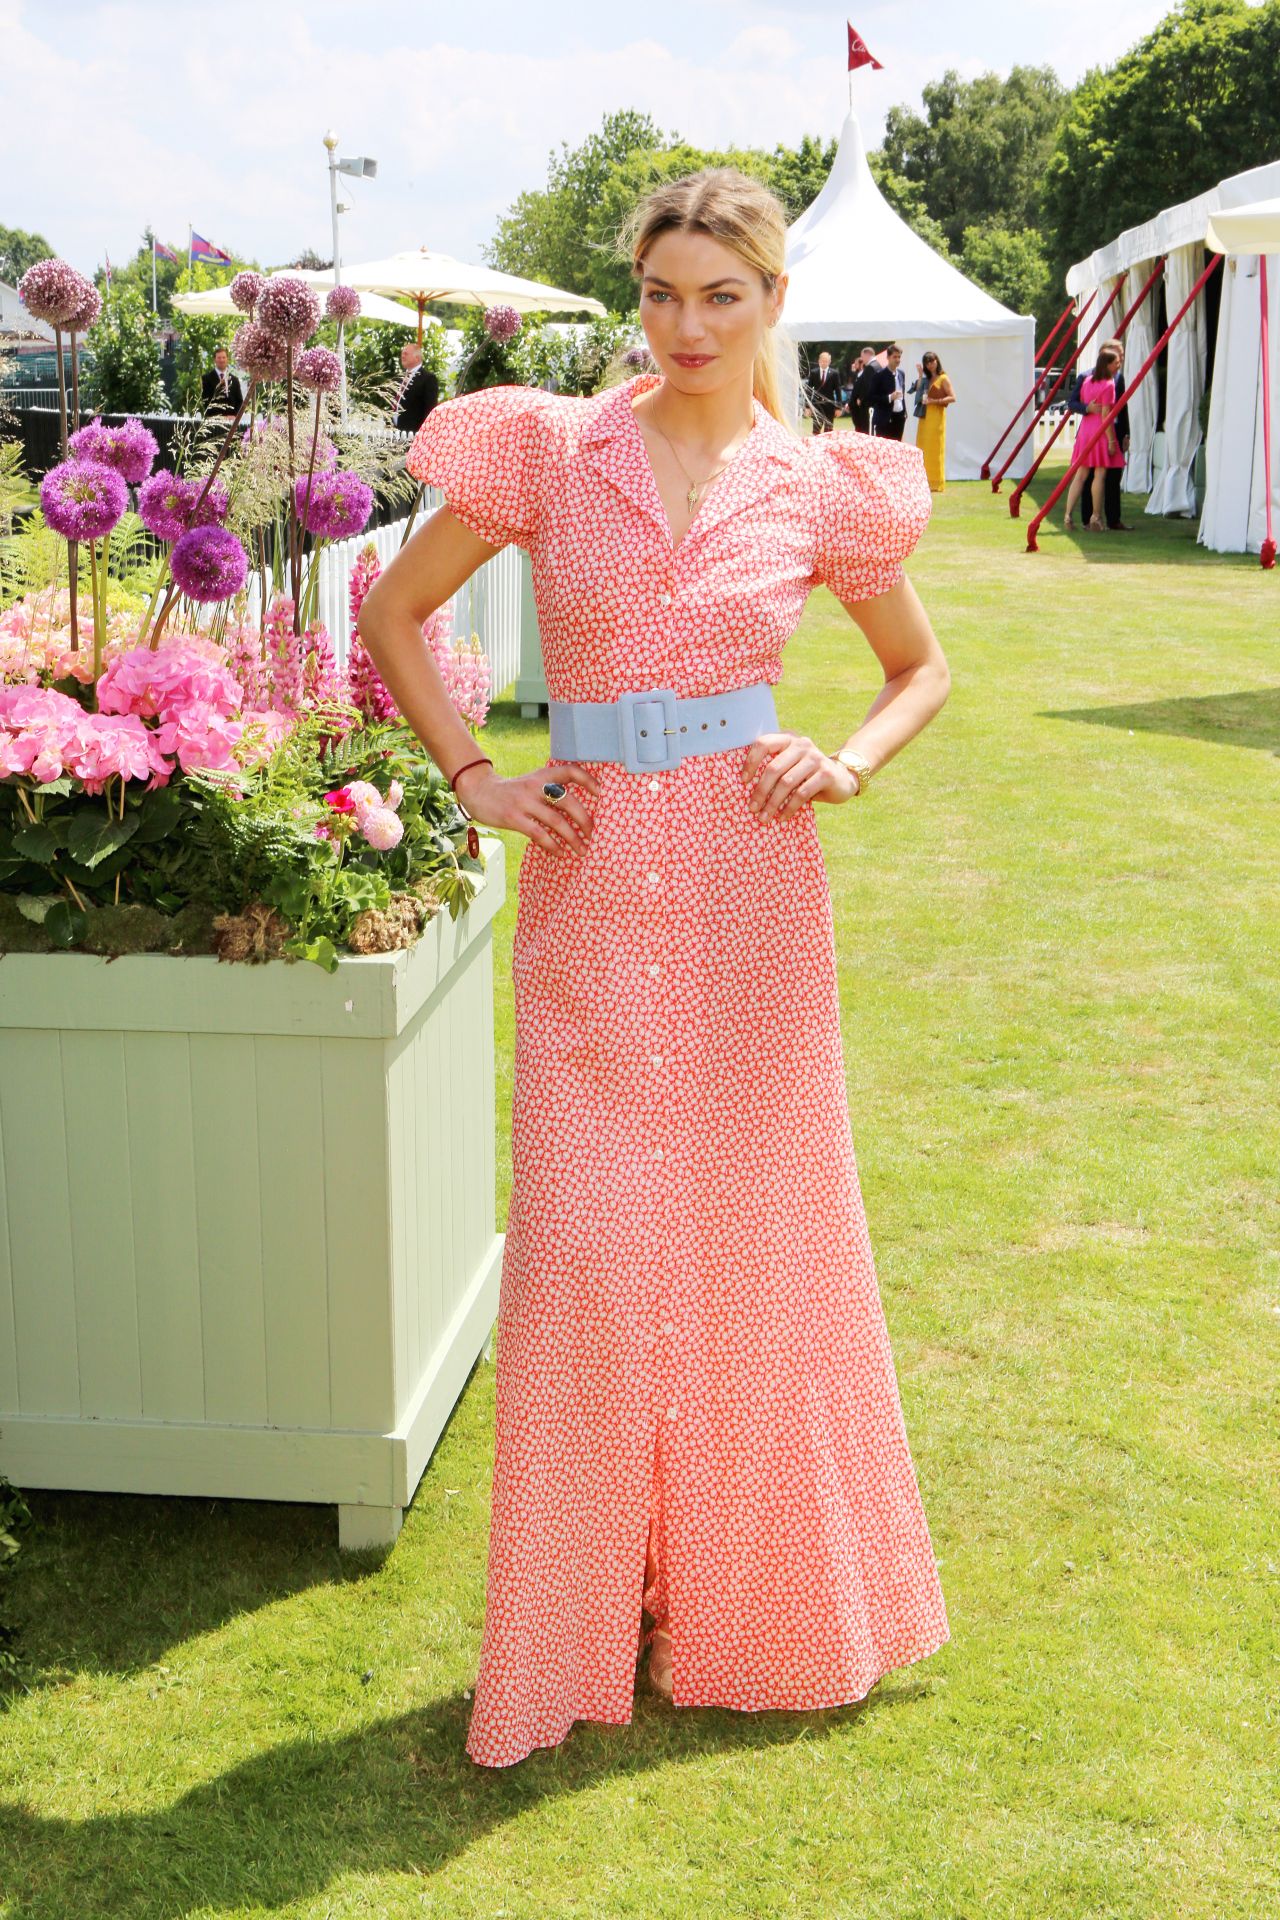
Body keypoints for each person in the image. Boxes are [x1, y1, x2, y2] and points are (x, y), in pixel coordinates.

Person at [358, 166, 951, 1771]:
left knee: (764, 1241)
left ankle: (755, 1601)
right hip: (597, 885)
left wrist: (852, 760)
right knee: (597, 1259)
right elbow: (393, 608)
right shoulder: (550, 448)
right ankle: (570, 1621)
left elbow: (918, 666)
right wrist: (475, 775)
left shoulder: (825, 484)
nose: (686, 326)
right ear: (638, 295)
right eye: (663, 293)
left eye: (723, 297)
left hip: (760, 895)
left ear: (771, 304)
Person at [1063, 344, 1125, 532]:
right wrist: (1112, 441)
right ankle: (1096, 517)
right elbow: (1106, 414)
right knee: (1099, 475)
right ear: (1107, 364)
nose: (1119, 364)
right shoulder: (1109, 384)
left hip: (1085, 431)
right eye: (1116, 362)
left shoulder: (1088, 380)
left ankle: (1067, 515)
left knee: (1080, 475)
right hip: (1100, 432)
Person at [911, 351, 955, 493]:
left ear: (937, 361)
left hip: (937, 419)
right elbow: (916, 391)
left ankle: (936, 482)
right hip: (925, 418)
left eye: (932, 361)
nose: (930, 365)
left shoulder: (943, 378)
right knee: (923, 447)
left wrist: (934, 401)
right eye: (927, 362)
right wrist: (919, 375)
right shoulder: (926, 379)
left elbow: (953, 397)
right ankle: (924, 481)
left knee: (935, 449)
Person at [393, 340, 439, 435]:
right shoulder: (399, 378)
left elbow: (430, 409)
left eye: (406, 353)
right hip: (394, 432)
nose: (403, 356)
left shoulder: (428, 378)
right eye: (402, 354)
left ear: (417, 358)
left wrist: (424, 433)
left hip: (413, 434)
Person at [869, 345, 908, 440]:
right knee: (884, 449)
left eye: (899, 357)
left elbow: (902, 395)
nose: (897, 359)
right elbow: (871, 397)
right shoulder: (879, 375)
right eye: (894, 357)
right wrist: (889, 397)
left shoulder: (901, 373)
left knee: (897, 447)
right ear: (888, 357)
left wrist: (904, 412)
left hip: (899, 417)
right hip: (884, 419)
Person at [201, 346, 243, 416]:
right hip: (214, 420)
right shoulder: (206, 379)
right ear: (215, 360)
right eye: (219, 358)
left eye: (224, 357)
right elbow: (205, 401)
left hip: (232, 421)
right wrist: (219, 417)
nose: (222, 360)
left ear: (227, 359)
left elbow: (239, 401)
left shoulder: (235, 380)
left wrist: (234, 416)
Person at [806, 349, 841, 433]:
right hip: (817, 405)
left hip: (829, 405)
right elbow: (809, 390)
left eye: (826, 361)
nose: (824, 363)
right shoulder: (814, 373)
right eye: (822, 361)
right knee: (816, 430)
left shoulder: (834, 373)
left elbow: (838, 391)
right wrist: (807, 406)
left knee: (828, 431)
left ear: (829, 362)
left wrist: (838, 407)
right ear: (819, 361)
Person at [847, 345, 878, 433]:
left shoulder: (870, 367)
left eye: (862, 356)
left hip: (867, 405)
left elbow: (868, 386)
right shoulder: (878, 365)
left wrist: (862, 399)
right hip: (874, 403)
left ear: (867, 354)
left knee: (866, 429)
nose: (862, 359)